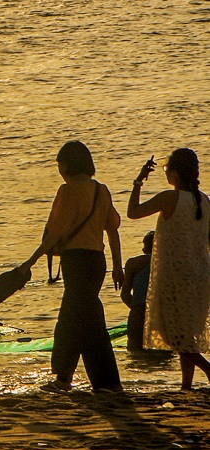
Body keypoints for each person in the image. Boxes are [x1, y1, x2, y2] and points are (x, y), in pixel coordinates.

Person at [14, 140, 123, 393]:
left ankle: (95, 382)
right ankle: (72, 379)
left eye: (60, 165)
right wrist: (118, 267)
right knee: (79, 319)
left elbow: (54, 234)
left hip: (76, 261)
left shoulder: (67, 191)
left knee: (78, 321)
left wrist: (29, 263)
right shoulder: (101, 190)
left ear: (67, 165)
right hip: (97, 262)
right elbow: (113, 230)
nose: (59, 170)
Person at [127, 148, 210, 389]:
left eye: (166, 169)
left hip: (176, 275)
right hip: (201, 274)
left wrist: (138, 181)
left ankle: (207, 369)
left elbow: (133, 212)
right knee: (187, 335)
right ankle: (186, 386)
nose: (165, 173)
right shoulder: (204, 200)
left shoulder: (170, 198)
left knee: (175, 335)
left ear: (175, 172)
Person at [120, 231, 155, 353]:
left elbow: (124, 295)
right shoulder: (168, 264)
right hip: (160, 316)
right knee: (163, 358)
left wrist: (137, 309)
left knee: (136, 355)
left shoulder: (133, 263)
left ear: (144, 247)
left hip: (138, 314)